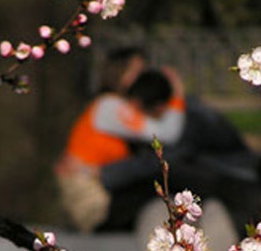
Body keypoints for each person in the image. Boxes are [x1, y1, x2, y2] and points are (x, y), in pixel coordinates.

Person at [55, 67, 186, 232]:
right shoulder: (111, 108)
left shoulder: (114, 110)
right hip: (92, 204)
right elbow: (167, 134)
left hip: (100, 195)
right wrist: (177, 97)